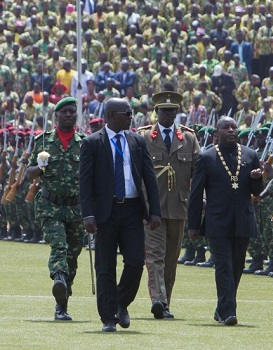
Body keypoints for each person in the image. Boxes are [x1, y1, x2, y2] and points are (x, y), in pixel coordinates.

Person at [79, 97, 161, 332]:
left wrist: (154, 210)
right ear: (112, 115)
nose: (131, 116)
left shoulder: (137, 141)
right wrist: (88, 214)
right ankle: (108, 317)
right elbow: (85, 182)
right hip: (106, 212)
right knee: (105, 266)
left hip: (133, 210)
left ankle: (120, 302)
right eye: (127, 112)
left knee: (135, 261)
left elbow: (149, 177)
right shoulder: (93, 143)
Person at [187, 116, 263, 326]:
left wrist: (257, 179)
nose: (231, 130)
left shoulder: (250, 155)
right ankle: (228, 312)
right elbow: (196, 193)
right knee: (223, 266)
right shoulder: (207, 157)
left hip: (243, 221)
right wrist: (193, 224)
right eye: (226, 128)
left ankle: (222, 307)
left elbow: (257, 192)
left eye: (233, 127)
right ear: (217, 133)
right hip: (217, 221)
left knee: (237, 267)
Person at [138, 91, 200, 319]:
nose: (168, 114)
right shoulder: (144, 137)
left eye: (172, 110)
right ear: (156, 112)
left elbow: (198, 172)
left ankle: (166, 302)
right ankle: (158, 299)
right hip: (151, 208)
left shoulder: (189, 138)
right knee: (154, 255)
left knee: (171, 259)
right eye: (164, 110)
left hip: (178, 206)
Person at [26, 97, 86, 321]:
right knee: (59, 246)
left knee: (73, 256)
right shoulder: (43, 142)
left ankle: (63, 300)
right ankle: (59, 279)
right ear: (56, 116)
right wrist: (40, 167)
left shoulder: (84, 142)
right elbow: (29, 173)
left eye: (72, 112)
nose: (69, 115)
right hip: (50, 206)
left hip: (76, 208)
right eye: (65, 112)